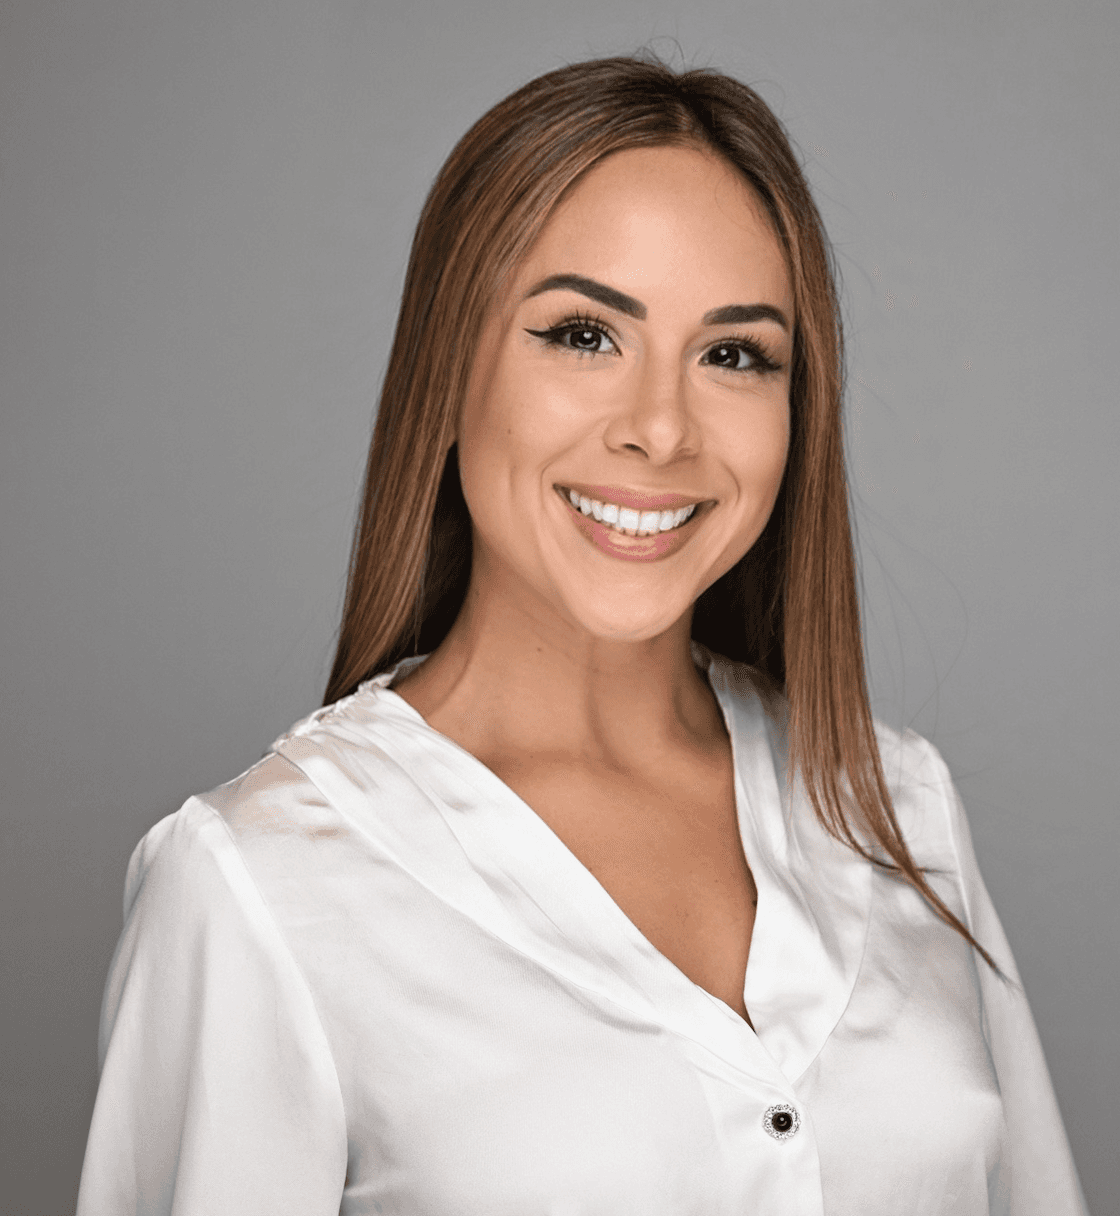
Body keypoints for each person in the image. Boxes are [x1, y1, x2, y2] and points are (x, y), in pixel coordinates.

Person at [76, 55, 1087, 1216]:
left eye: (732, 354)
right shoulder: (257, 886)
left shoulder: (893, 802)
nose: (659, 429)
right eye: (582, 335)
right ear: (446, 366)